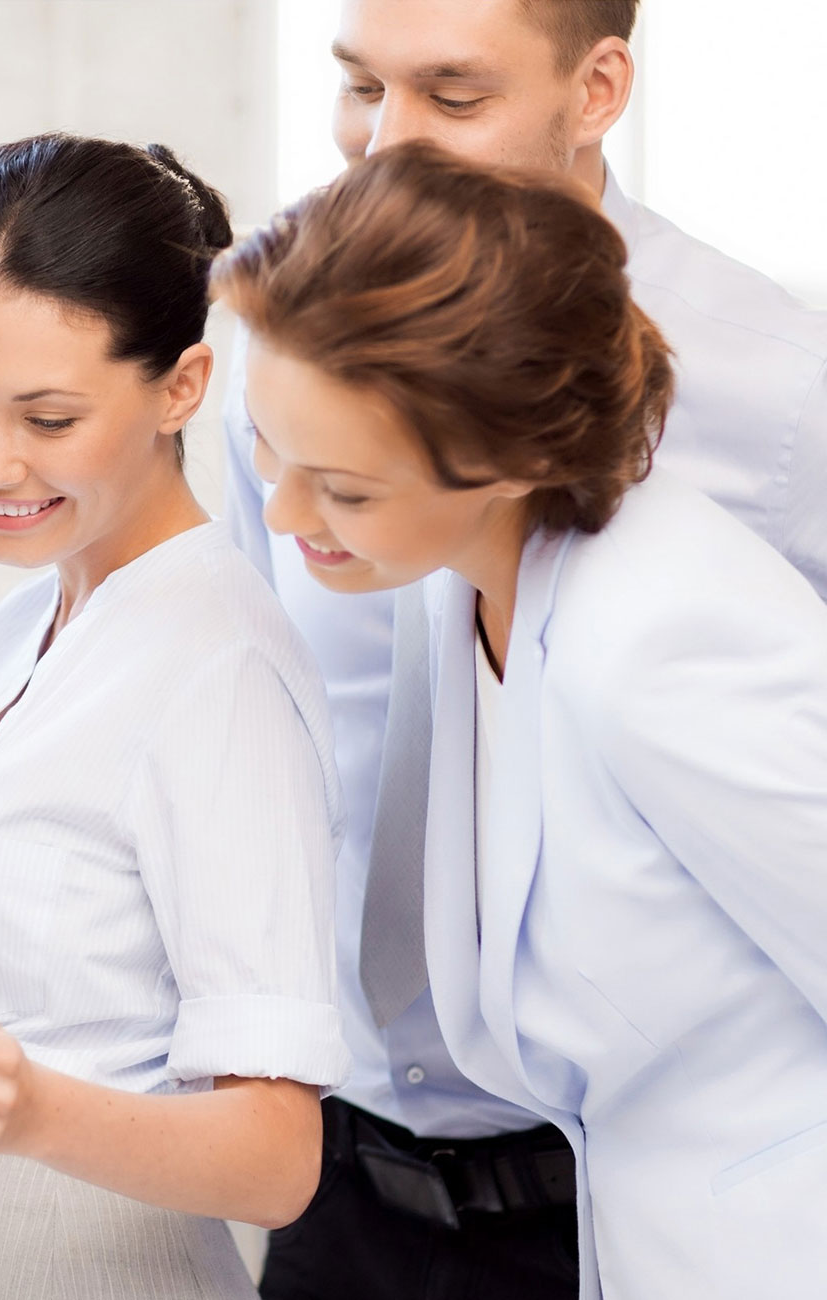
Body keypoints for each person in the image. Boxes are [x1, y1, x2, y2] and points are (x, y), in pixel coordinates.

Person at [220, 3, 827, 1296]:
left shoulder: (660, 630)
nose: (283, 515)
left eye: (346, 485)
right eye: (361, 87)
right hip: (479, 1193)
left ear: (498, 450)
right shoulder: (470, 580)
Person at [0, 133, 350, 1300]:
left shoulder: (219, 665)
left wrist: (30, 1108)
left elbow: (277, 1157)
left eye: (48, 419)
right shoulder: (29, 622)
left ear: (182, 387)